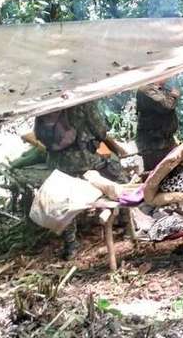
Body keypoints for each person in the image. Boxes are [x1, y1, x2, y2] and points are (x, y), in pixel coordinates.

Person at [39, 101, 127, 259]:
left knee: (65, 199)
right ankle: (127, 223)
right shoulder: (83, 101)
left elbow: (39, 135)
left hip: (57, 163)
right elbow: (100, 131)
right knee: (118, 173)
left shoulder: (48, 101)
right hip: (83, 159)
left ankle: (71, 246)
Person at [136, 81, 180, 171]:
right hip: (153, 144)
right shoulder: (145, 89)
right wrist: (173, 96)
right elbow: (165, 106)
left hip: (165, 141)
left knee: (172, 170)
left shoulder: (159, 89)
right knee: (156, 173)